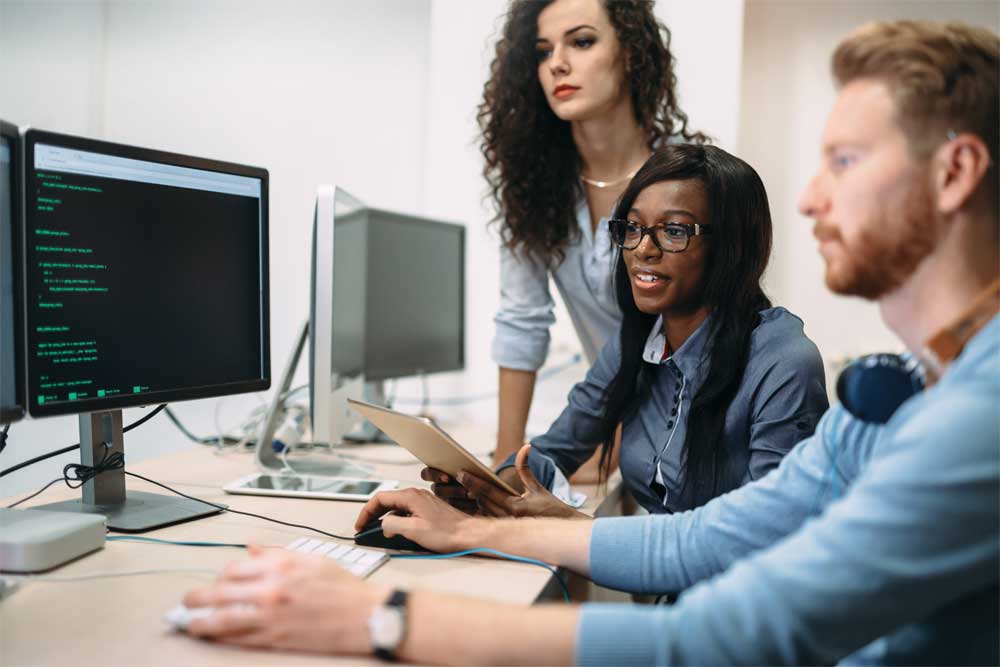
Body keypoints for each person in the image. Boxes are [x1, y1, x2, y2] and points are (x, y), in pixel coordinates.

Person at [182, 20, 999, 666]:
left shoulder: (977, 416)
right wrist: (475, 527)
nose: (814, 197)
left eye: (845, 160)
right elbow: (707, 535)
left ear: (956, 171)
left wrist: (379, 617)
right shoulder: (907, 383)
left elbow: (731, 638)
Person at [434, 144, 828, 519]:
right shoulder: (638, 341)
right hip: (667, 589)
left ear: (730, 246)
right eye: (633, 228)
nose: (643, 249)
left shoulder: (783, 362)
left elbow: (764, 537)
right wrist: (480, 488)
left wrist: (574, 528)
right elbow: (553, 452)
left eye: (674, 231)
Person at [484, 0, 707, 478]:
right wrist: (503, 471)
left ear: (631, 53)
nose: (557, 64)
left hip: (699, 437)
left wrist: (609, 448)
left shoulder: (690, 184)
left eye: (581, 42)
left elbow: (703, 347)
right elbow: (521, 324)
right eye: (543, 52)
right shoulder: (534, 191)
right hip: (610, 429)